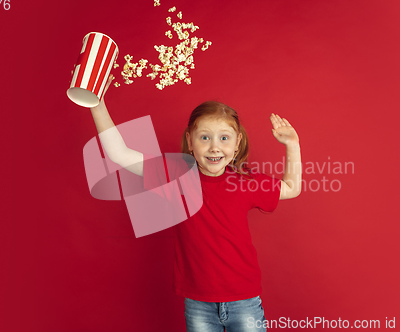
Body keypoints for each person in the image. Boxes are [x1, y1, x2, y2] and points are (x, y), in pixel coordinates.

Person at [89, 75, 302, 332]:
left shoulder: (245, 182)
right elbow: (120, 154)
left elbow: (291, 188)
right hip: (198, 303)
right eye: (204, 138)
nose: (214, 147)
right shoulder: (176, 176)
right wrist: (96, 103)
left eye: (224, 138)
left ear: (237, 145)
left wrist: (292, 145)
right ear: (190, 142)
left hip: (244, 299)